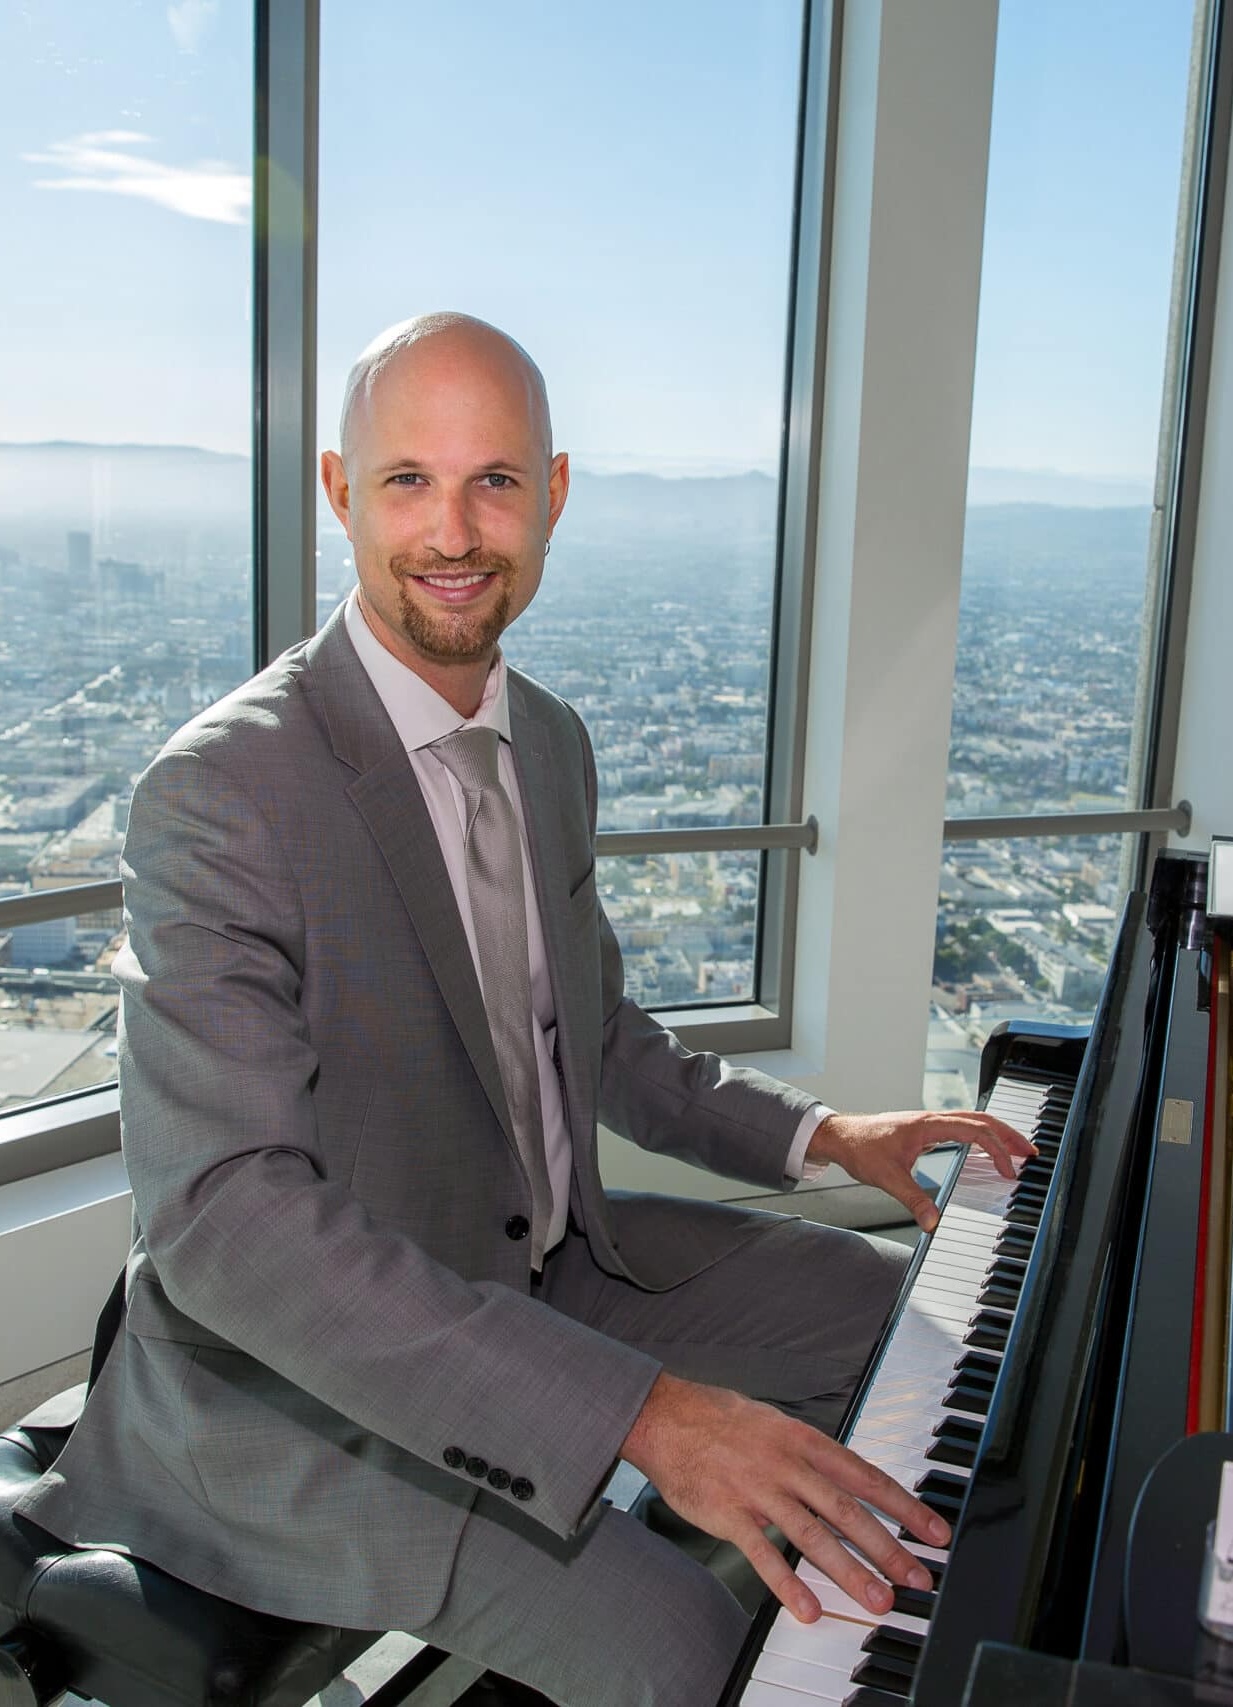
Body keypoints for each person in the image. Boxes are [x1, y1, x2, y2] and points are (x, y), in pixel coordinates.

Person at [19, 314, 1031, 1707]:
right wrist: (641, 1413)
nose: (453, 531)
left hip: (545, 1263)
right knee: (678, 1644)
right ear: (337, 493)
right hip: (293, 1390)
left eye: (493, 481)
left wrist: (831, 1137)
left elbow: (600, 1040)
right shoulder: (223, 793)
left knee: (909, 1331)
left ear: (552, 495)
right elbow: (226, 1228)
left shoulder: (546, 740)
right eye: (406, 482)